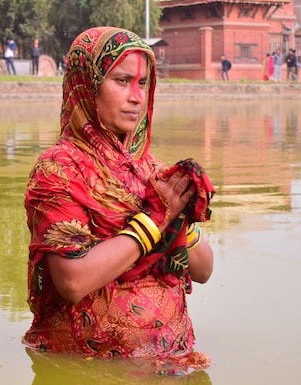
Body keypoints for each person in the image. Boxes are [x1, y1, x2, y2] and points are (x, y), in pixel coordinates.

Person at [22, 27, 215, 371]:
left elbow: (203, 270)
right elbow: (72, 281)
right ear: (88, 85)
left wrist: (180, 216)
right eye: (122, 81)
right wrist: (154, 220)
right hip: (84, 369)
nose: (137, 97)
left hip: (170, 366)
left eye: (142, 84)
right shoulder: (59, 170)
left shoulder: (153, 170)